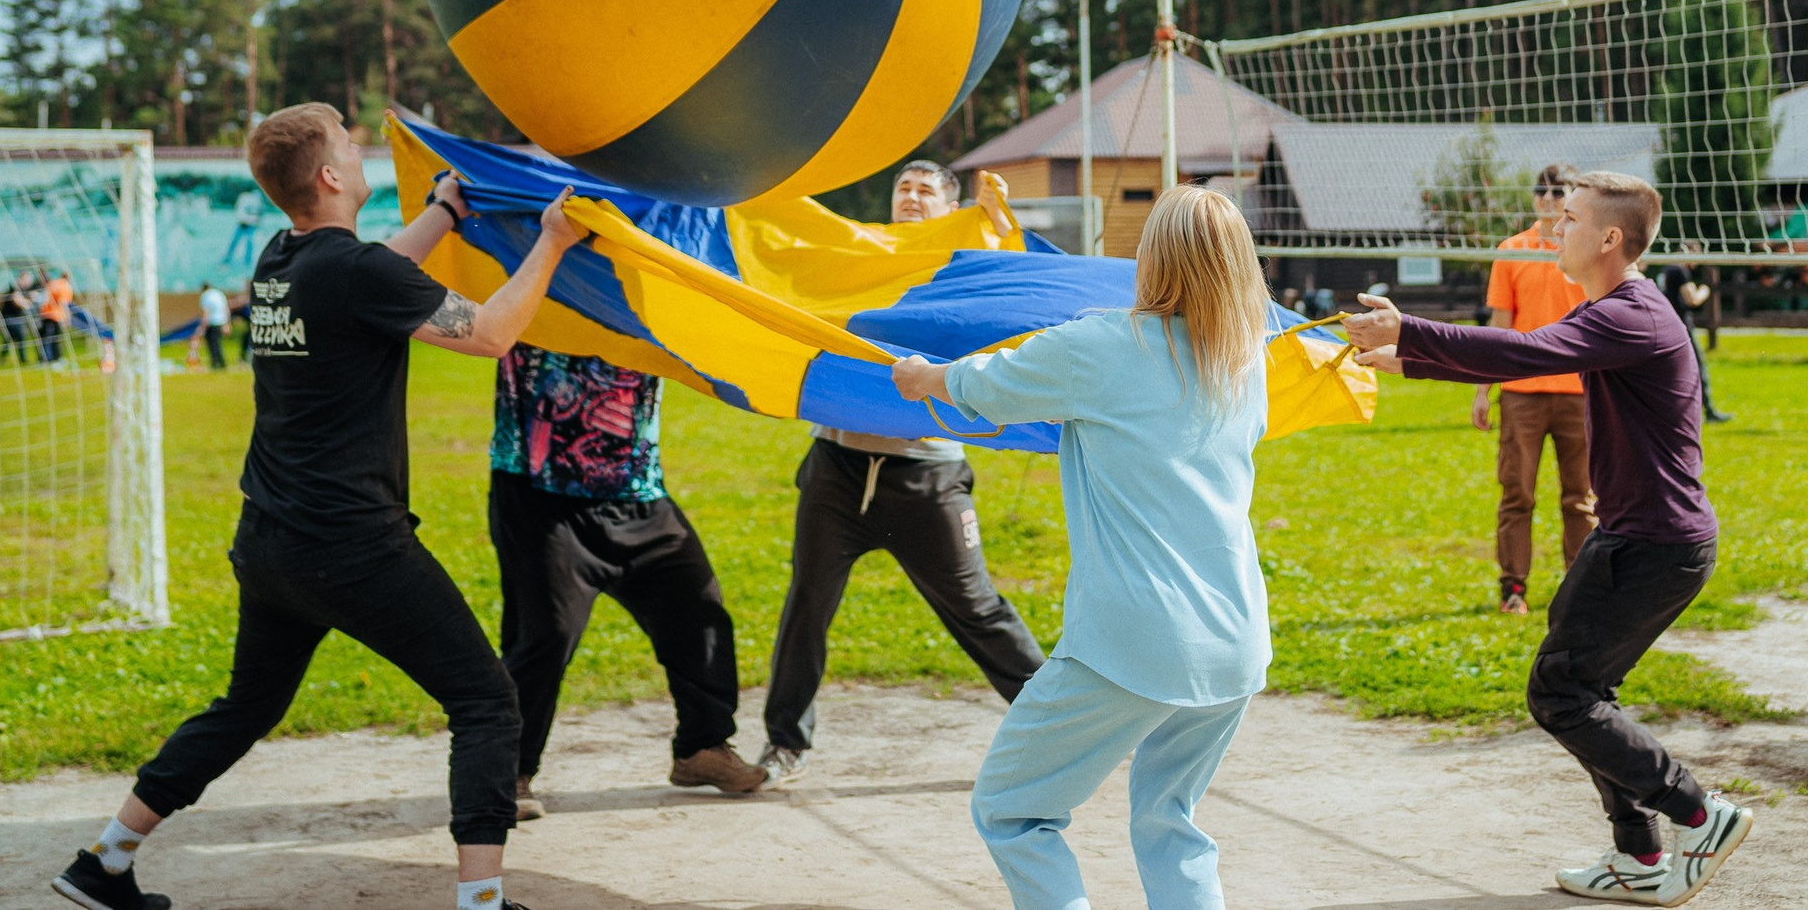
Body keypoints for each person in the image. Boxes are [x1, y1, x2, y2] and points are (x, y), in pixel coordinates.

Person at [49, 102, 584, 910]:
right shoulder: (354, 272)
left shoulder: (282, 259)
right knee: (485, 698)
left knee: (246, 706)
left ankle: (104, 862)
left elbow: (375, 274)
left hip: (270, 540)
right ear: (331, 176)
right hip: (352, 547)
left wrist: (441, 213)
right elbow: (489, 332)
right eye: (349, 143)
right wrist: (554, 238)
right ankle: (481, 904)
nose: (362, 148)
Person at [1345, 172, 1752, 906]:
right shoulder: (1613, 308)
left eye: (1568, 220)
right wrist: (1406, 358)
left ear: (1609, 238)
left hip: (1657, 545)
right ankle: (1639, 857)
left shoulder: (1635, 314)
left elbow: (1521, 353)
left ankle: (1699, 812)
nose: (1553, 231)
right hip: (1632, 535)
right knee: (1581, 689)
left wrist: (1408, 331)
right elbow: (1522, 360)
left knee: (1559, 692)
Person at [892, 183, 1271, 910]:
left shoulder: (1105, 344)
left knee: (1012, 807)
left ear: (1152, 256)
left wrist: (926, 377)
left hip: (1137, 637)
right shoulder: (1247, 360)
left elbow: (990, 385)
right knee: (1171, 819)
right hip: (1235, 638)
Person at [756, 160, 1045, 785]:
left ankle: (1062, 729)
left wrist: (998, 229)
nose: (910, 198)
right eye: (902, 188)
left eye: (925, 191)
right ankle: (785, 745)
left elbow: (1024, 297)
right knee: (806, 605)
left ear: (950, 208)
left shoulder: (961, 273)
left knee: (977, 607)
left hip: (927, 478)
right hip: (837, 469)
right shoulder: (863, 263)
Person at [491, 335, 763, 817]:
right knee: (545, 636)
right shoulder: (531, 267)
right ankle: (504, 776)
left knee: (698, 612)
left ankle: (701, 749)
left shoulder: (646, 275)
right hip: (540, 495)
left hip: (638, 492)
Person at [1476, 163, 1595, 616]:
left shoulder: (1584, 252)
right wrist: (1483, 389)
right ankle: (1514, 589)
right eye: (1540, 190)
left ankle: (1579, 588)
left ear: (1571, 197)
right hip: (1522, 392)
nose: (1547, 198)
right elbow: (1500, 326)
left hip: (1579, 391)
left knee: (1580, 498)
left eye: (1557, 190)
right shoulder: (1513, 249)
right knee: (1517, 493)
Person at [1649, 244, 1731, 425]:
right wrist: (1705, 291)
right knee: (1698, 368)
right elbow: (1691, 299)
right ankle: (1709, 411)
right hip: (1682, 326)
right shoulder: (1680, 270)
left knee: (1668, 371)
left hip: (1664, 325)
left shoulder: (1666, 268)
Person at [190, 281, 231, 372]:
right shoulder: (219, 294)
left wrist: (202, 326)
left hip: (212, 322)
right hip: (221, 321)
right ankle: (222, 362)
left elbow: (206, 312)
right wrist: (227, 323)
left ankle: (216, 363)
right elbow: (226, 308)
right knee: (218, 343)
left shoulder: (206, 296)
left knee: (212, 344)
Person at [38, 268, 76, 365]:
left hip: (45, 313)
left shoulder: (53, 283)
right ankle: (52, 359)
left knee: (46, 337)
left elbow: (44, 297)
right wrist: (67, 318)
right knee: (54, 338)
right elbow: (63, 303)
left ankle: (49, 358)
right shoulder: (65, 287)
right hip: (56, 315)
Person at [0, 272, 37, 364]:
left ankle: (3, 359)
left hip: (17, 317)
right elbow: (17, 301)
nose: (29, 282)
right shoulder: (14, 288)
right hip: (9, 316)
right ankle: (22, 359)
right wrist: (28, 303)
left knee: (10, 337)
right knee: (19, 335)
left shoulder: (24, 290)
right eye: (27, 279)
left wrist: (29, 299)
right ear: (21, 279)